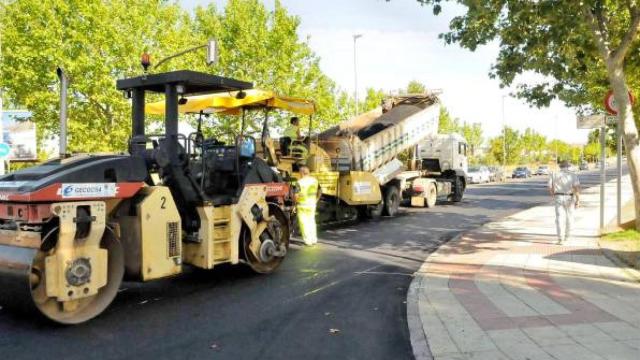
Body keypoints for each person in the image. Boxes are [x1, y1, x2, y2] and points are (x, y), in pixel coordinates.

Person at [548, 160, 581, 244]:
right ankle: (567, 237)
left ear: (560, 166)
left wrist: (553, 195)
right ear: (568, 166)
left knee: (559, 218)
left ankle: (560, 239)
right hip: (569, 197)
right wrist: (578, 200)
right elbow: (576, 188)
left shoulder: (554, 174)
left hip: (558, 196)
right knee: (569, 217)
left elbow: (550, 187)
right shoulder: (573, 175)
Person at [295, 166, 321, 246]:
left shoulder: (299, 182)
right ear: (308, 172)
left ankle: (308, 241)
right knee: (311, 221)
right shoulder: (315, 181)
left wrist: (295, 203)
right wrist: (316, 200)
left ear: (302, 173)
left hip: (302, 205)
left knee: (304, 223)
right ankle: (314, 239)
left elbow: (296, 195)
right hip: (312, 204)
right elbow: (320, 191)